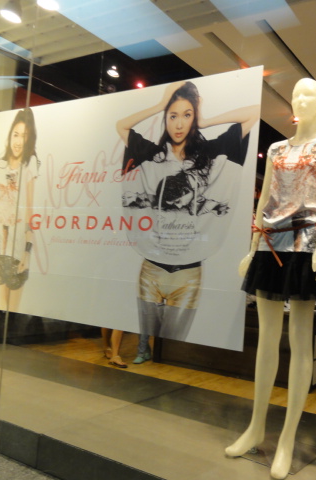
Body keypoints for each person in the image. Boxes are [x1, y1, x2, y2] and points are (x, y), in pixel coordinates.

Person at [225, 78, 316, 480]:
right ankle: (255, 427)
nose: (301, 99)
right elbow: (266, 197)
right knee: (266, 341)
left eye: (309, 94)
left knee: (299, 341)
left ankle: (288, 438)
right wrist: (251, 246)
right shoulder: (277, 148)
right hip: (269, 244)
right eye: (296, 95)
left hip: (305, 244)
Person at [116, 81, 258, 352]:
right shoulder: (152, 155)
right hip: (151, 268)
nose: (179, 124)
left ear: (194, 117)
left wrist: (205, 120)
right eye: (172, 116)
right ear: (165, 118)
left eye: (187, 115)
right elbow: (122, 126)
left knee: (172, 348)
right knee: (147, 346)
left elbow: (254, 111)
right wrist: (160, 104)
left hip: (189, 272)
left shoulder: (211, 153)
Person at [0, 108, 39, 312]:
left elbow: (30, 212)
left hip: (17, 252)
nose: (18, 141)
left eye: (24, 136)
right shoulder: (0, 163)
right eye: (16, 134)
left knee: (11, 314)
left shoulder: (29, 164)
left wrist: (27, 253)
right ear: (10, 135)